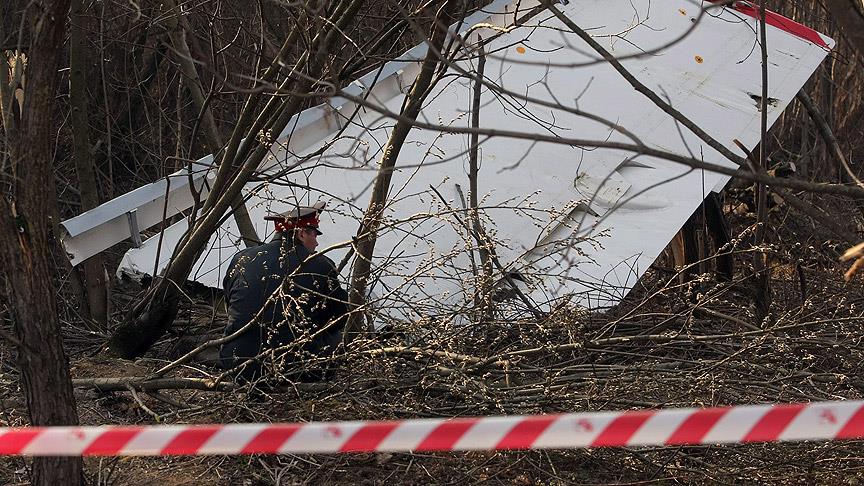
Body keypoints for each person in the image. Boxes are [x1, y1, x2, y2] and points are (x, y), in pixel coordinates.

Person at [219, 202, 349, 382]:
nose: (317, 242)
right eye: (314, 234)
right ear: (302, 233)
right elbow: (339, 318)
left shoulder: (242, 258)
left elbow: (230, 303)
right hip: (299, 369)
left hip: (238, 364)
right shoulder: (321, 265)